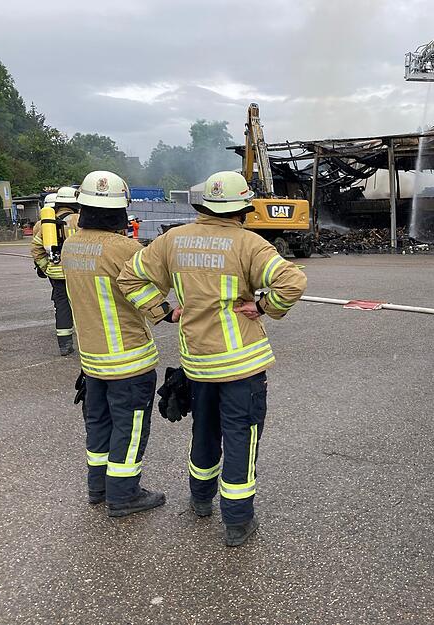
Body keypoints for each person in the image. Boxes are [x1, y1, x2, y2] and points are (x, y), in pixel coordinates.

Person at [117, 171, 307, 547]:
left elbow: (129, 278)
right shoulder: (249, 244)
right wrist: (264, 306)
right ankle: (237, 520)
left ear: (204, 206)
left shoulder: (173, 240)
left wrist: (162, 311)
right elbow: (293, 282)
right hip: (241, 366)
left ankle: (201, 499)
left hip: (198, 364)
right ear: (242, 210)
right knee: (240, 436)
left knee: (203, 431)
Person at [61, 170, 167, 517]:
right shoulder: (126, 249)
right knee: (130, 427)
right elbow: (152, 292)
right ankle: (124, 495)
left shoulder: (71, 246)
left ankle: (99, 487)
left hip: (92, 361)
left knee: (99, 423)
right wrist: (167, 312)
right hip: (129, 360)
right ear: (121, 210)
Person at [30, 188, 80, 355]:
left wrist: (46, 267)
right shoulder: (80, 220)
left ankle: (65, 345)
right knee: (85, 305)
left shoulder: (47, 224)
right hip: (79, 272)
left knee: (62, 305)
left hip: (57, 274)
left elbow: (36, 248)